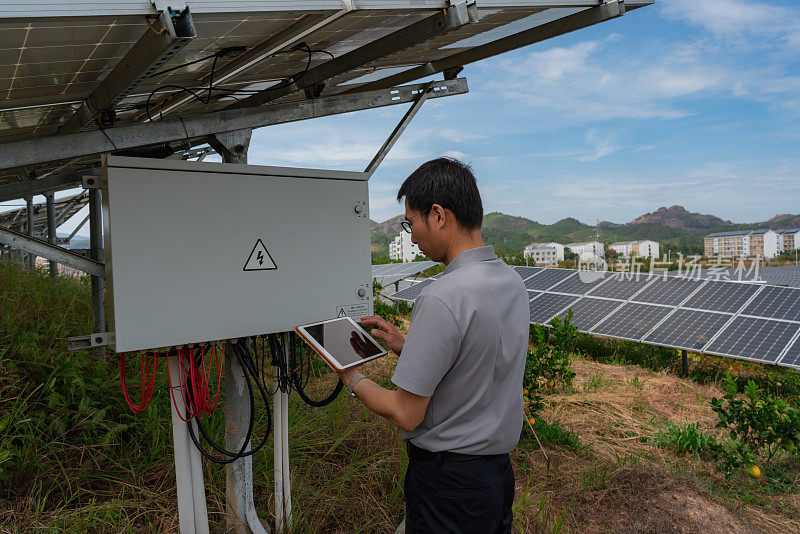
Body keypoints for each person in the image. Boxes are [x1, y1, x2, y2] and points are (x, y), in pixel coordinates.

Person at [335, 157, 530, 533]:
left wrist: (351, 376)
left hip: (449, 487)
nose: (411, 236)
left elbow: (406, 413)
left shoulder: (443, 296)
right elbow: (477, 363)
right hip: (496, 479)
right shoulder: (511, 282)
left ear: (438, 215)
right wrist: (406, 345)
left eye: (411, 223)